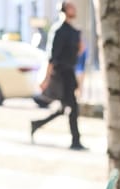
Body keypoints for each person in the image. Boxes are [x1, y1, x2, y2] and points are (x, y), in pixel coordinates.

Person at [30, 1, 87, 150]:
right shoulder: (58, 30)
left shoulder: (74, 31)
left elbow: (79, 52)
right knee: (72, 108)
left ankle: (36, 124)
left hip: (70, 72)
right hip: (61, 74)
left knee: (64, 108)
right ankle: (76, 141)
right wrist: (46, 78)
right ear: (64, 9)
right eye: (71, 6)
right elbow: (52, 57)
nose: (74, 9)